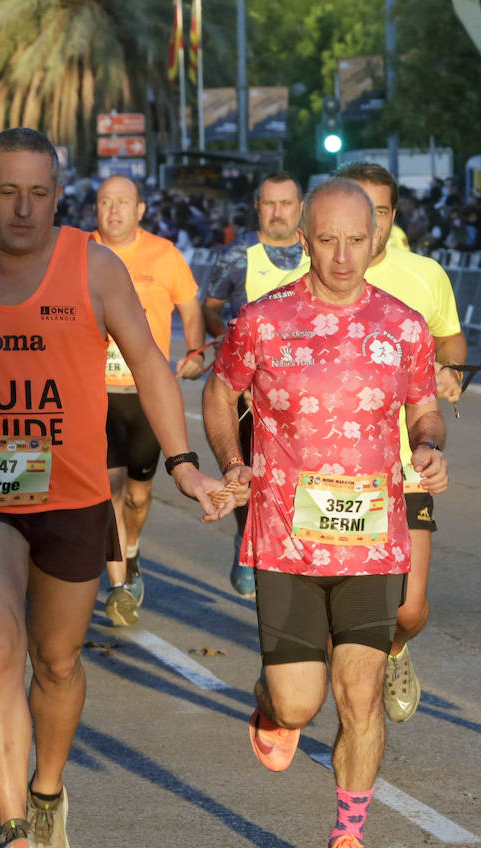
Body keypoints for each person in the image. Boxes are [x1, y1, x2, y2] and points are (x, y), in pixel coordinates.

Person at [0, 128, 231, 848]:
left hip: (72, 493)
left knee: (58, 662)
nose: (25, 209)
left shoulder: (93, 268)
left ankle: (46, 792)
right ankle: (10, 832)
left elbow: (150, 363)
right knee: (0, 646)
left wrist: (185, 464)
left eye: (39, 193)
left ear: (58, 197)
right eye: (8, 192)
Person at [203, 179, 445, 848]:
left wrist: (428, 445)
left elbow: (424, 407)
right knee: (301, 704)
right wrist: (231, 462)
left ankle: (349, 839)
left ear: (377, 240)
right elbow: (220, 391)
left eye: (356, 239)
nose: (342, 255)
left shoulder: (403, 324)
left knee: (360, 693)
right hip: (284, 541)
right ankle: (271, 705)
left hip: (372, 540)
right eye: (327, 239)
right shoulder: (263, 321)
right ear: (303, 241)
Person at [337, 161, 465, 723]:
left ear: (391, 216)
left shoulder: (425, 275)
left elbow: (452, 342)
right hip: (332, 469)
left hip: (405, 465)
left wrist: (451, 372)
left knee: (408, 610)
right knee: (339, 608)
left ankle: (395, 649)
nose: (372, 221)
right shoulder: (312, 274)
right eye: (360, 208)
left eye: (382, 210)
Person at [89, 175, 206, 625]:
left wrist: (195, 353)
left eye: (123, 202)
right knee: (111, 492)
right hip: (96, 395)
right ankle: (118, 586)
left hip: (146, 396)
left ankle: (131, 551)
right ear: (95, 208)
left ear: (139, 210)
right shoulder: (78, 251)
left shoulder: (165, 254)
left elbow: (190, 306)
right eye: (105, 202)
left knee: (138, 496)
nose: (114, 210)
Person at [202, 173, 310, 597]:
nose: (278, 212)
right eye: (269, 203)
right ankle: (246, 540)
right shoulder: (237, 255)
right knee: (248, 475)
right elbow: (210, 308)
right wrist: (224, 340)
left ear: (300, 206)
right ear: (257, 206)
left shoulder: (314, 251)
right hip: (248, 392)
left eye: (286, 203)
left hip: (303, 391)